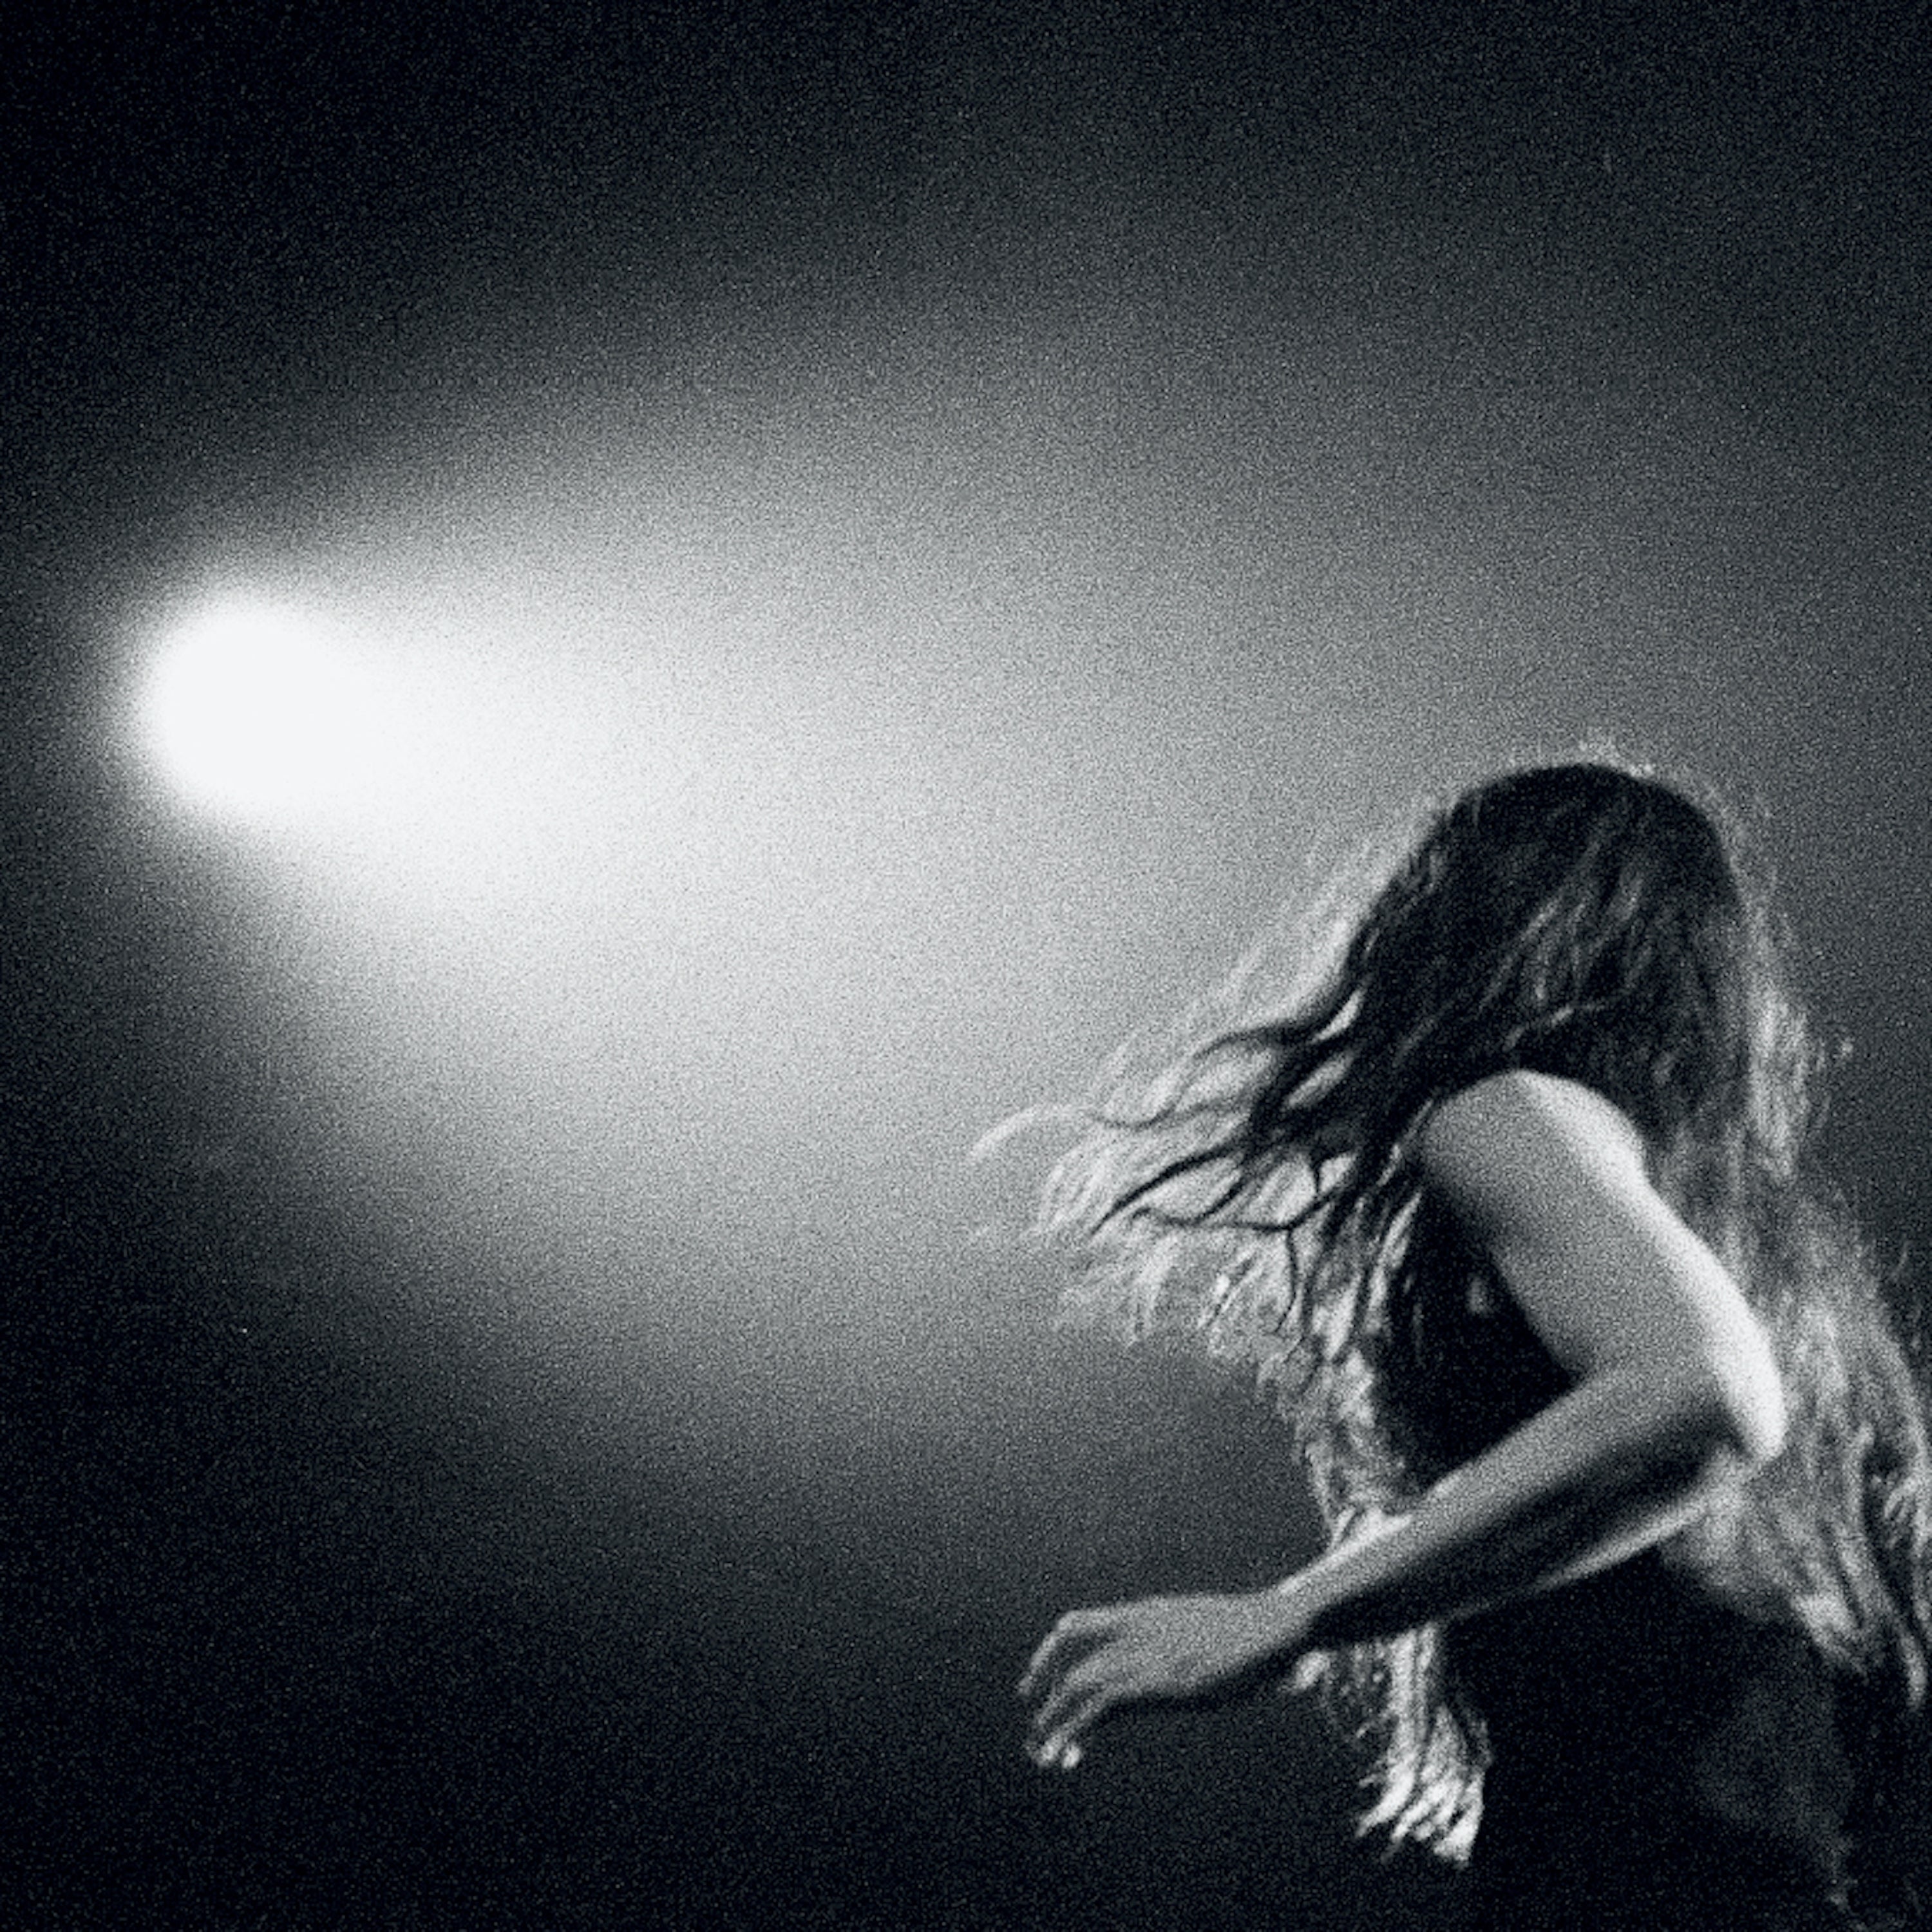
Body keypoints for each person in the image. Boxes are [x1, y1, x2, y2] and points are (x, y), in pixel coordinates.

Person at [1011, 761, 1931, 1930]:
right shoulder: (1773, 1248)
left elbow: (1703, 1391)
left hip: (1637, 1870)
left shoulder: (1506, 1109)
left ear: (1466, 919)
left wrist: (1293, 1613)